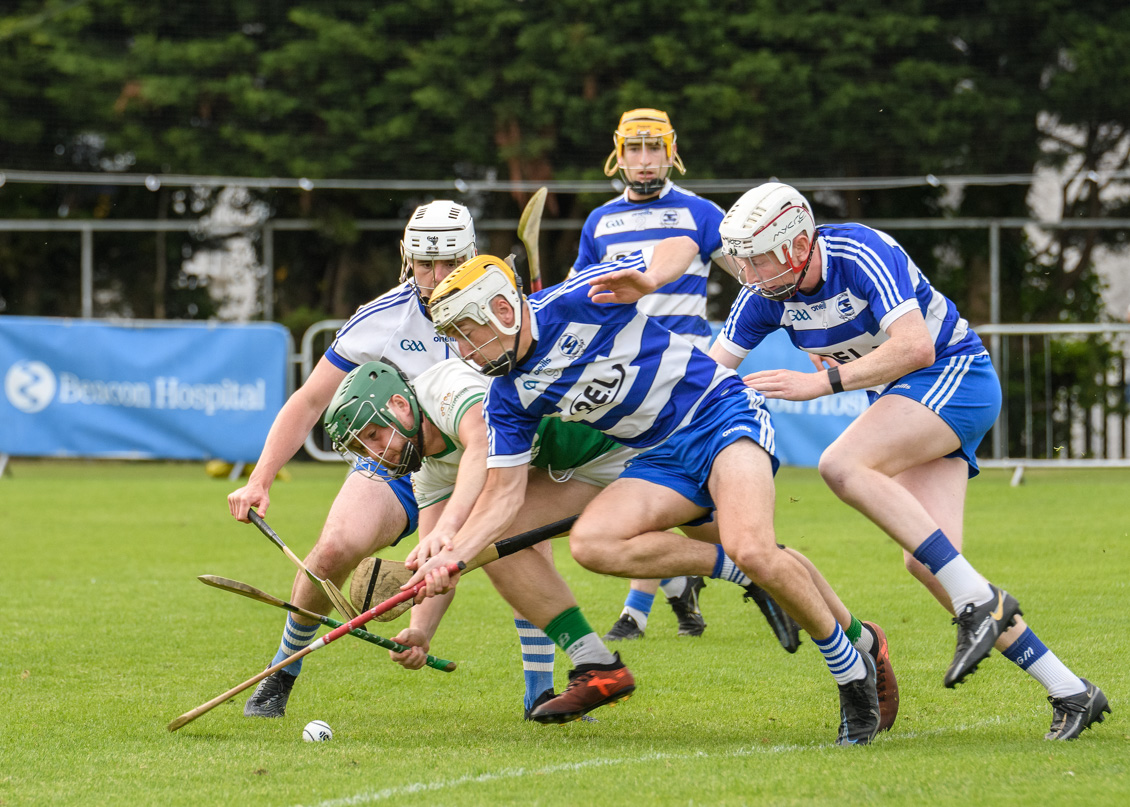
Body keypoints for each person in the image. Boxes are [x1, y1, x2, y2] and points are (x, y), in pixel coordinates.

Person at [408, 244, 884, 744]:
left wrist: (652, 278)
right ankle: (816, 613)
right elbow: (503, 498)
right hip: (657, 456)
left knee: (755, 548)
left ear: (502, 310)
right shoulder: (505, 396)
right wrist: (452, 557)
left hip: (721, 414)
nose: (463, 350)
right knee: (593, 543)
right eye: (453, 338)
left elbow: (681, 245)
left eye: (466, 332)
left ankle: (852, 672)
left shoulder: (578, 299)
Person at [711, 182, 1110, 740]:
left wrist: (818, 383)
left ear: (798, 244)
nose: (748, 274)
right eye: (742, 260)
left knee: (841, 464)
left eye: (757, 259)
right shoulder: (762, 298)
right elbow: (712, 374)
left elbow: (916, 347)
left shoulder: (861, 252)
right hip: (909, 401)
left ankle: (979, 602)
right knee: (927, 562)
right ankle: (1071, 690)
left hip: (954, 376)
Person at [226, 200, 477, 719]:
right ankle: (281, 673)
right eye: (423, 264)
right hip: (399, 459)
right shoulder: (383, 317)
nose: (434, 278)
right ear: (407, 258)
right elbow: (310, 400)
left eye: (447, 263)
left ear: (468, 257)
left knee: (519, 555)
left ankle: (543, 689)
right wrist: (260, 480)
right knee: (334, 548)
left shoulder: (501, 307)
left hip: (480, 460)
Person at [578, 107, 798, 650]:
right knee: (656, 490)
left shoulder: (701, 213)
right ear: (619, 152)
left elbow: (757, 277)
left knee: (670, 490)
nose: (646, 160)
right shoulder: (598, 222)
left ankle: (648, 604)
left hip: (692, 378)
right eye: (635, 148)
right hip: (628, 382)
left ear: (671, 150)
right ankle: (709, 578)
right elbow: (582, 296)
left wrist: (806, 331)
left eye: (655, 148)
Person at [323, 357, 644, 721]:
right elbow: (433, 561)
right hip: (578, 471)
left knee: (717, 537)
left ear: (399, 405)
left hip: (625, 439)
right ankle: (596, 665)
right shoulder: (428, 472)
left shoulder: (442, 388)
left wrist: (451, 527)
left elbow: (481, 438)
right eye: (364, 447)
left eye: (374, 435)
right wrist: (419, 632)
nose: (376, 452)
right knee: (501, 540)